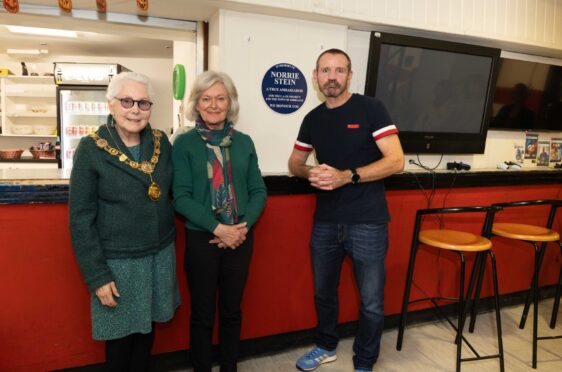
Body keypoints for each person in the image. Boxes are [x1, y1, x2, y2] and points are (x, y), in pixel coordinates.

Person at [288, 49, 404, 372]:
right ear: (316, 77)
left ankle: (364, 362)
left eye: (339, 70)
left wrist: (347, 176)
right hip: (326, 221)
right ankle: (326, 346)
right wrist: (310, 173)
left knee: (371, 301)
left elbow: (396, 160)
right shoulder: (312, 119)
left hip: (368, 222)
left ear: (349, 76)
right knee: (323, 292)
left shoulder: (371, 108)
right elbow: (294, 162)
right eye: (326, 71)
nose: (332, 77)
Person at [69, 71, 180, 372]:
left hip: (158, 256)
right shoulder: (91, 150)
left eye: (143, 103)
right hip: (117, 263)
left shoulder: (161, 144)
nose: (135, 110)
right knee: (119, 342)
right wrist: (97, 276)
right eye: (127, 101)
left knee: (146, 334)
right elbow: (81, 218)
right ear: (111, 104)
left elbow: (175, 192)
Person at [172, 70, 267, 372]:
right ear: (196, 104)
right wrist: (218, 228)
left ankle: (229, 367)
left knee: (231, 311)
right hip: (203, 239)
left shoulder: (245, 142)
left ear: (230, 103)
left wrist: (241, 228)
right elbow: (181, 197)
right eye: (206, 99)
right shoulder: (184, 144)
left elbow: (258, 191)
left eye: (220, 98)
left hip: (240, 236)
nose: (213, 105)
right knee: (202, 314)